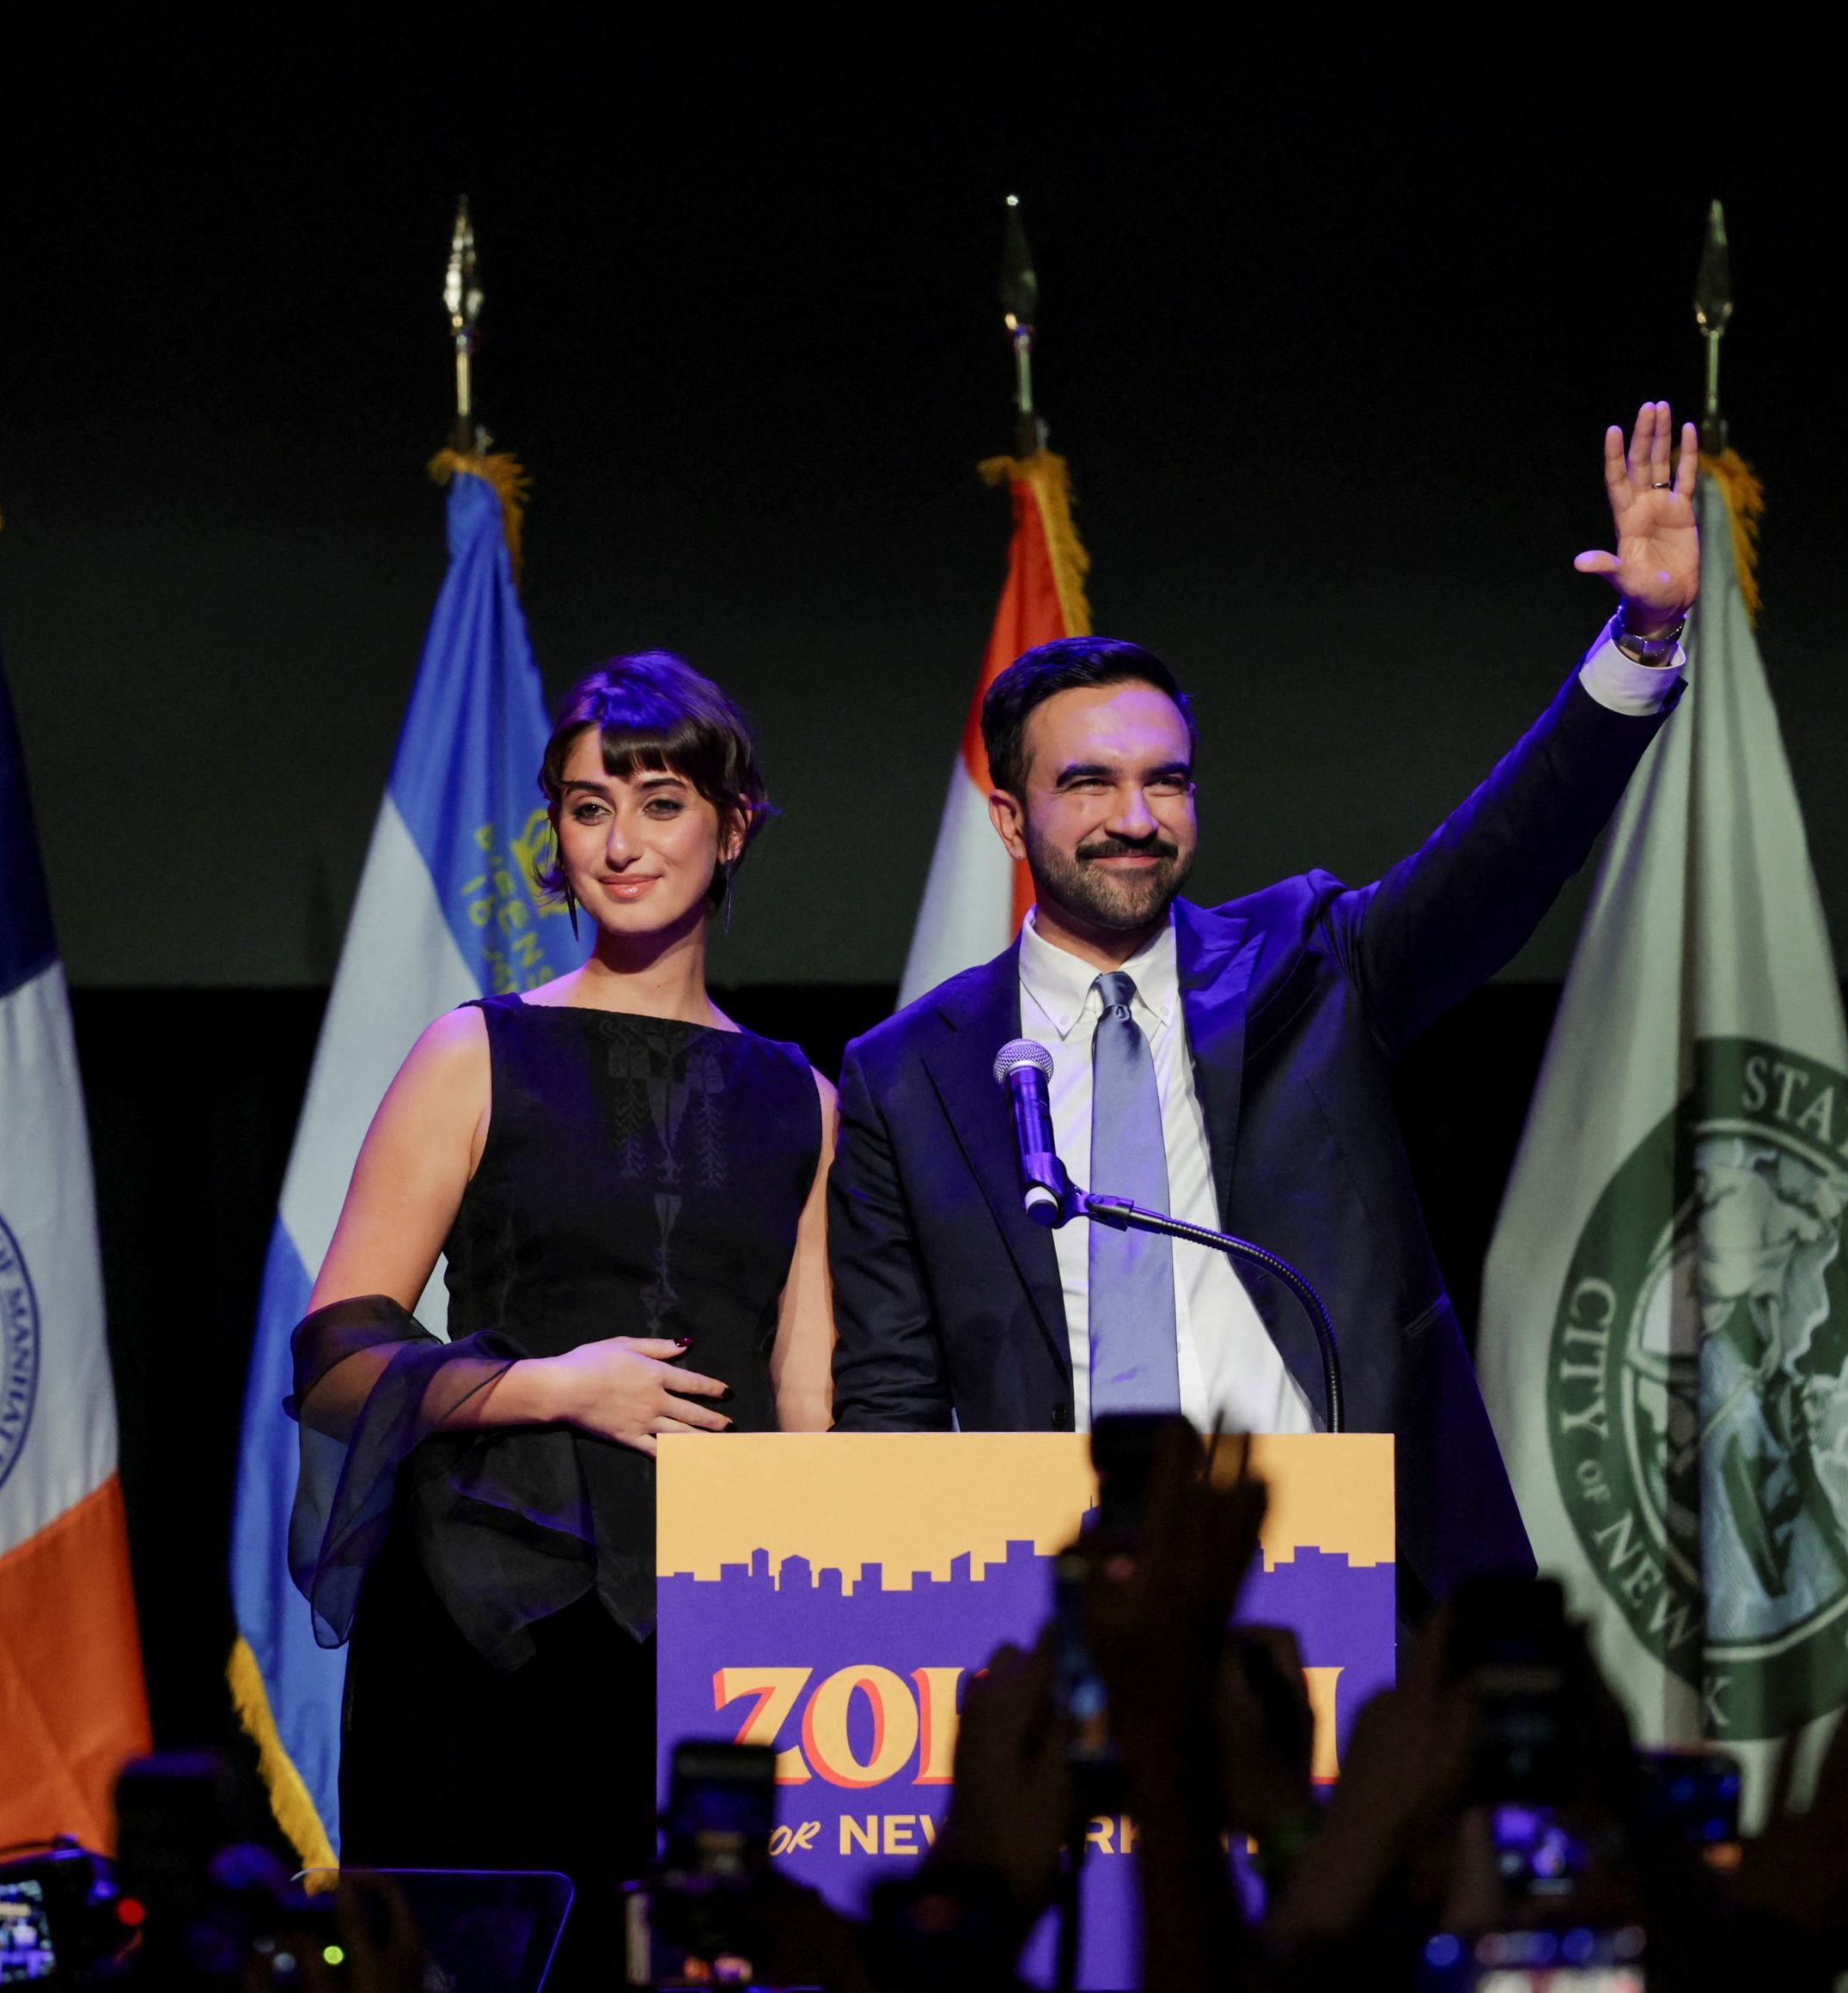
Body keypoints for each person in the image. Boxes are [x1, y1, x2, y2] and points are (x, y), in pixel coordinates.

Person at [827, 402, 1702, 1612]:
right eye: (1089, 783)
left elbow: (1503, 859)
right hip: (1057, 1597)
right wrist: (912, 1619)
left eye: (1167, 780)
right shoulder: (907, 1075)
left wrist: (1641, 643)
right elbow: (891, 1397)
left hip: (1346, 1573)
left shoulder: (1310, 962)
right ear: (1010, 819)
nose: (1136, 817)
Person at [285, 650, 839, 1990]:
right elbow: (334, 1353)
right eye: (591, 808)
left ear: (733, 825)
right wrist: (555, 1384)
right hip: (487, 1614)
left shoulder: (805, 1098)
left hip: (712, 1626)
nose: (622, 842)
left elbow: (809, 1394)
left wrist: (820, 1618)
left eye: (661, 803)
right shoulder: (474, 1051)